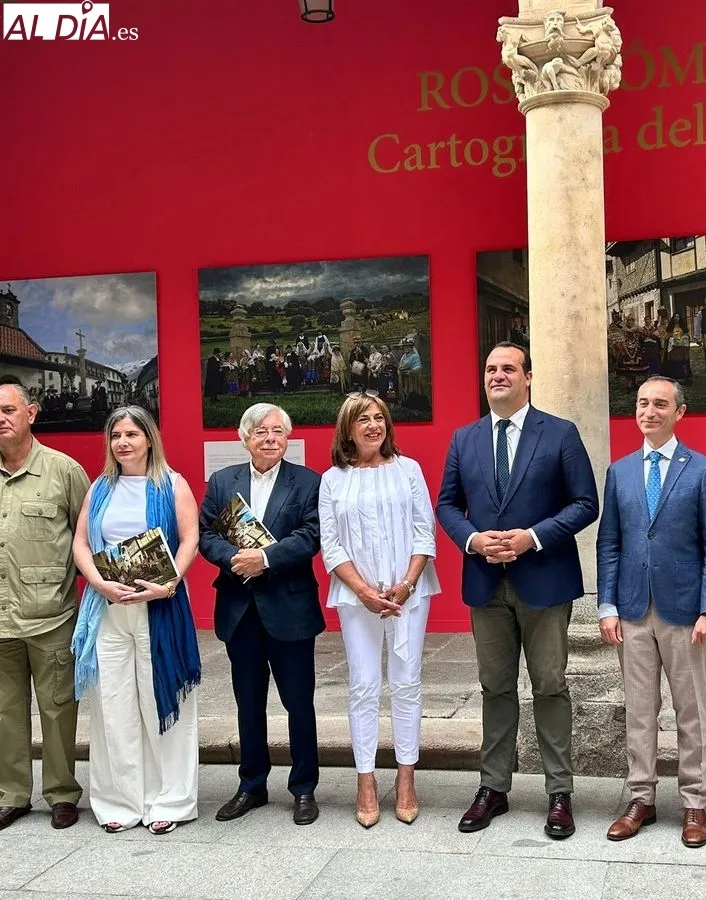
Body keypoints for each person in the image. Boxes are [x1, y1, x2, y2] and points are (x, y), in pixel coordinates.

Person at [436, 341, 598, 839]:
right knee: (495, 688)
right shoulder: (464, 438)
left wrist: (533, 537)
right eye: (490, 369)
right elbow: (447, 505)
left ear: (528, 378)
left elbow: (585, 503)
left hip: (544, 581)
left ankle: (559, 792)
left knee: (549, 685)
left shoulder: (560, 433)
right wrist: (472, 540)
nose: (498, 375)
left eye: (508, 368)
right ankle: (493, 788)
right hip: (486, 583)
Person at [596, 376, 706, 848]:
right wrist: (607, 605)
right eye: (642, 403)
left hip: (686, 612)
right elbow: (609, 543)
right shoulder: (620, 472)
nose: (648, 411)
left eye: (659, 404)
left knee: (691, 711)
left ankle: (695, 802)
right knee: (639, 710)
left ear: (679, 412)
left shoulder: (703, 471)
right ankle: (641, 798)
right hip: (632, 609)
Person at [0, 380, 90, 833]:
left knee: (58, 709)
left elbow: (84, 540)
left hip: (50, 615)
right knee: (4, 711)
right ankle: (12, 795)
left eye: (8, 410)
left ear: (31, 413)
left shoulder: (64, 471)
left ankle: (62, 793)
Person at [70, 406, 202, 834]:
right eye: (116, 436)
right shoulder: (100, 488)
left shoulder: (172, 484)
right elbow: (81, 544)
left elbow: (190, 538)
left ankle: (170, 800)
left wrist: (170, 583)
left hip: (158, 606)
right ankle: (120, 802)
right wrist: (98, 584)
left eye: (131, 434)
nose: (123, 442)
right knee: (113, 705)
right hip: (108, 608)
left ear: (149, 439)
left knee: (160, 700)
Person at [199, 403, 324, 826]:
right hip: (240, 609)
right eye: (260, 431)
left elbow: (311, 535)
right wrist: (236, 558)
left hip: (290, 608)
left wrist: (265, 559)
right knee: (248, 703)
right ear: (245, 438)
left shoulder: (308, 481)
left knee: (299, 703)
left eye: (277, 431)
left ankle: (303, 788)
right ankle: (251, 785)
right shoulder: (223, 481)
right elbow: (206, 533)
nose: (270, 438)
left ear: (287, 438)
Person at [319, 392, 440, 827]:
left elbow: (424, 532)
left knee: (406, 683)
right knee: (364, 685)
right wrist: (364, 591)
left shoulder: (409, 470)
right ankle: (366, 780)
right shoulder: (333, 479)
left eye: (379, 418)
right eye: (363, 419)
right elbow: (330, 544)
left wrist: (406, 585)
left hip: (409, 593)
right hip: (357, 597)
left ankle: (406, 778)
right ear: (347, 429)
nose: (373, 426)